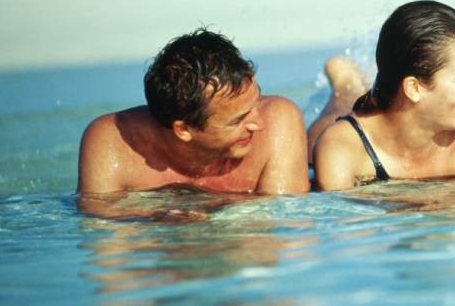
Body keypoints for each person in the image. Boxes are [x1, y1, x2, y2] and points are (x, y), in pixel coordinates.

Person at [77, 28, 310, 203]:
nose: (259, 124)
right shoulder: (111, 143)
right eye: (238, 120)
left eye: (255, 101)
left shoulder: (279, 122)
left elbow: (287, 227)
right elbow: (104, 241)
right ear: (184, 129)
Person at [312, 0, 455, 190]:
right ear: (414, 88)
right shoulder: (341, 147)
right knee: (341, 104)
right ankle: (345, 82)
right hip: (360, 131)